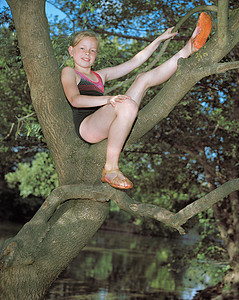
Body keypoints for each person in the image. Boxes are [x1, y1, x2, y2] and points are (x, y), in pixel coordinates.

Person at [61, 12, 212, 190]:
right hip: (87, 126)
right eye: (82, 49)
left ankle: (188, 49)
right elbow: (75, 100)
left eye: (92, 50)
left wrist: (159, 39)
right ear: (71, 51)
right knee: (126, 104)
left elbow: (136, 61)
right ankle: (110, 168)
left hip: (105, 118)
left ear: (96, 55)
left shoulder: (100, 76)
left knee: (142, 79)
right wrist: (109, 99)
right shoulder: (69, 72)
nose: (87, 53)